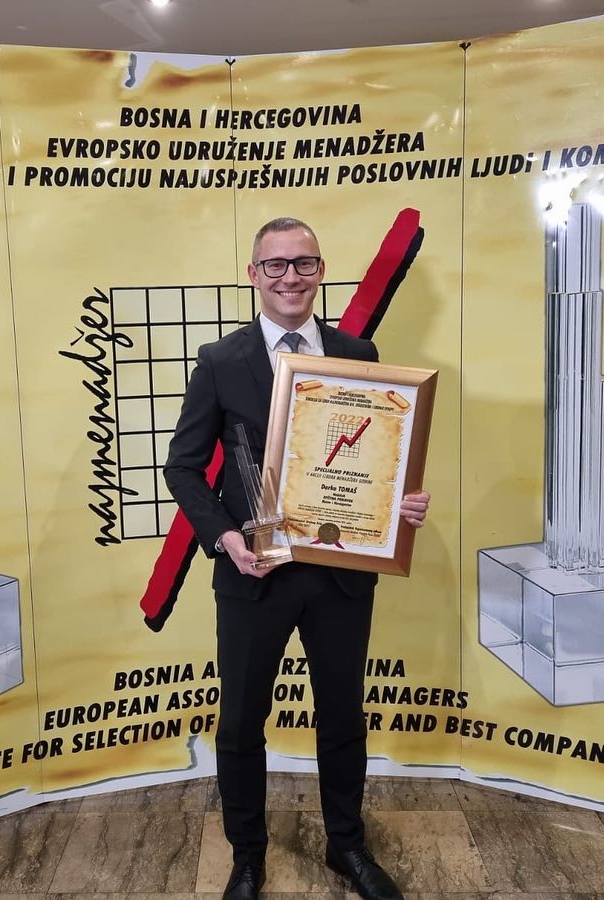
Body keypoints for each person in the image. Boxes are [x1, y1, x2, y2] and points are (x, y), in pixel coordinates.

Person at [164, 217, 429, 900]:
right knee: (241, 722)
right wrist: (226, 539)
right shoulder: (220, 361)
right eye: (276, 265)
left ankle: (347, 846)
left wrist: (397, 501)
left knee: (342, 714)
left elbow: (374, 453)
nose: (290, 277)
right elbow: (184, 468)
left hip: (340, 575)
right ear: (254, 275)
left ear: (320, 271)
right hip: (253, 575)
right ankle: (247, 857)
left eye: (304, 263)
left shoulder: (356, 352)